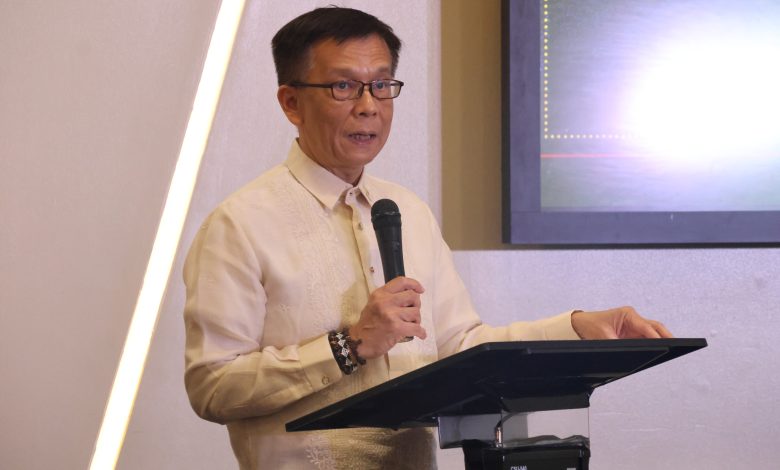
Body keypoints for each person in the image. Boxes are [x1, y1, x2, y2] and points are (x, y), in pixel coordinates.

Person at [183, 7, 672, 470]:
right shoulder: (240, 224)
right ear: (291, 102)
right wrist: (349, 345)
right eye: (343, 86)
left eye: (381, 85)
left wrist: (576, 329)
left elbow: (461, 346)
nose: (368, 107)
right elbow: (212, 386)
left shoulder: (408, 211)